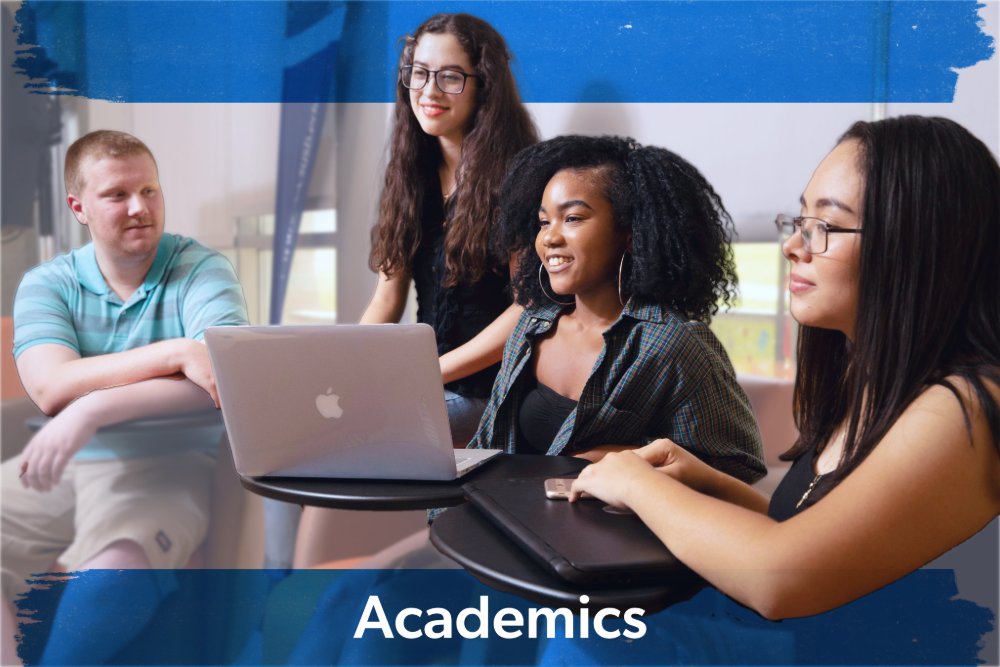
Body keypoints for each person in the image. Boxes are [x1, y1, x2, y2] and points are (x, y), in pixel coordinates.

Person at [568, 116, 1000, 620]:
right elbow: (820, 532)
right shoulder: (872, 378)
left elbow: (782, 579)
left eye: (825, 226)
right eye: (799, 222)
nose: (793, 246)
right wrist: (705, 484)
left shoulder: (964, 408)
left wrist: (638, 485)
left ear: (917, 241)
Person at [287, 12, 539, 569]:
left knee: (336, 444)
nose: (429, 90)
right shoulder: (412, 172)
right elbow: (386, 299)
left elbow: (528, 311)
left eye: (451, 76)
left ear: (486, 86)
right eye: (418, 73)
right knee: (287, 435)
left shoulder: (521, 178)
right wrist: (335, 365)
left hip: (492, 398)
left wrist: (426, 374)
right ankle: (289, 587)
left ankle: (309, 587)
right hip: (431, 386)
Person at [1, 130, 249, 665]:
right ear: (79, 207)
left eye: (151, 191)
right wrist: (176, 353)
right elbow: (50, 386)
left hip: (166, 464)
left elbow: (221, 379)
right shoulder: (47, 283)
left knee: (116, 570)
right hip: (59, 458)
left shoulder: (202, 270)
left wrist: (93, 407)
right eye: (117, 195)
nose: (140, 208)